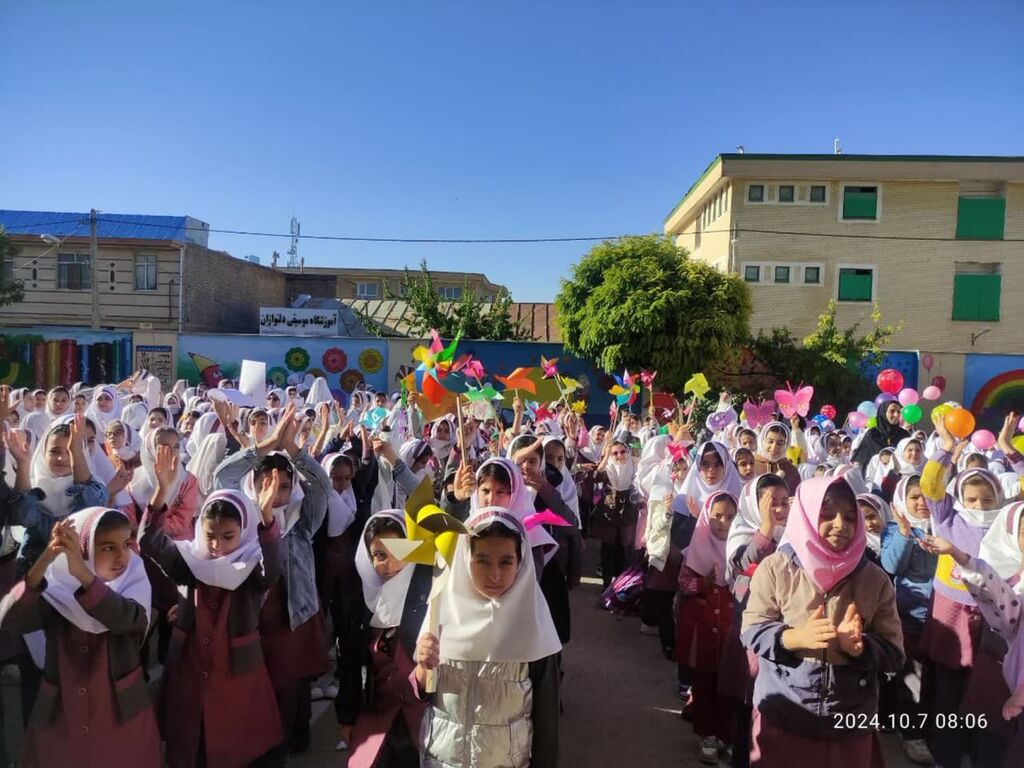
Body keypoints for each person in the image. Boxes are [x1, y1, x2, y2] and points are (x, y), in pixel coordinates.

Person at [741, 475, 904, 767]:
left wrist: (859, 648)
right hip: (784, 715)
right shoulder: (776, 569)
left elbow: (894, 653)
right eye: (827, 514)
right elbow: (752, 629)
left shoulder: (875, 579)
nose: (840, 524)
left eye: (850, 517)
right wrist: (795, 638)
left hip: (848, 725)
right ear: (804, 516)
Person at [0, 507, 160, 767]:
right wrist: (44, 563)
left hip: (119, 713)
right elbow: (9, 621)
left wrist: (84, 576)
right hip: (62, 716)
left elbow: (126, 619)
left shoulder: (134, 584)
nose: (122, 556)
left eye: (126, 544)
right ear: (82, 552)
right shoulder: (57, 592)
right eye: (107, 548)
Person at [139, 484, 286, 767]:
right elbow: (151, 543)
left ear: (244, 532)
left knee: (236, 738)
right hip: (189, 666)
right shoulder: (190, 563)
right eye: (210, 536)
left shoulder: (250, 568)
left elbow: (273, 568)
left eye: (228, 536)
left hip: (236, 669)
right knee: (192, 736)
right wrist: (160, 495)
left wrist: (266, 517)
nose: (217, 545)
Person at [214, 403, 330, 757]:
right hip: (252, 616)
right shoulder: (244, 517)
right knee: (253, 685)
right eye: (265, 482)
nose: (274, 492)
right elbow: (223, 477)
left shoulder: (301, 521)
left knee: (290, 687)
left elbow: (321, 485)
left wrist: (292, 447)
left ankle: (291, 743)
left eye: (282, 485)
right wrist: (267, 445)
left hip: (293, 616)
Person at [414, 507, 561, 768]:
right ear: (465, 557)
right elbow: (426, 691)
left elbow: (547, 721)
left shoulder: (535, 626)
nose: (494, 575)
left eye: (506, 562)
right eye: (482, 560)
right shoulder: (440, 613)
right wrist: (422, 668)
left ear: (522, 561)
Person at [918, 417, 1009, 767]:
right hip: (952, 611)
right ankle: (946, 754)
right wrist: (943, 448)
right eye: (972, 497)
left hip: (993, 618)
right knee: (949, 691)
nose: (980, 504)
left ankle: (975, 751)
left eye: (988, 498)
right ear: (960, 497)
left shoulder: (1006, 523)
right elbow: (929, 484)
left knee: (982, 688)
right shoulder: (948, 516)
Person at [923, 501, 1024, 766]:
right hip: (996, 674)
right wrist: (960, 556)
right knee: (993, 743)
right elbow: (1003, 600)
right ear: (1011, 534)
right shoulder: (1012, 585)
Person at [347, 510, 430, 768]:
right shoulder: (363, 601)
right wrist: (346, 716)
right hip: (378, 717)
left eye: (398, 551)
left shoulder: (426, 595)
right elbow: (349, 660)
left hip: (422, 718)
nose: (389, 563)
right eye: (379, 555)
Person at [721, 473, 789, 768]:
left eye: (784, 502)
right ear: (753, 503)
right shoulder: (743, 530)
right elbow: (744, 562)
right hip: (748, 635)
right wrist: (767, 528)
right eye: (770, 502)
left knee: (772, 709)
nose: (778, 509)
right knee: (744, 707)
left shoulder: (794, 534)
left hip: (781, 632)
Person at [677, 490, 738, 764]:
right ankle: (707, 735)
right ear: (706, 517)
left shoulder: (740, 549)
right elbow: (684, 583)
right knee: (703, 684)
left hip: (729, 631)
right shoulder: (696, 547)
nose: (722, 522)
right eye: (716, 516)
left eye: (729, 517)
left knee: (728, 686)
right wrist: (704, 583)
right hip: (702, 630)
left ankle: (725, 734)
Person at [852, 400, 910, 468]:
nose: (896, 415)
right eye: (892, 411)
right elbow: (860, 462)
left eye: (898, 412)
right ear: (883, 413)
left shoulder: (904, 434)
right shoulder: (872, 434)